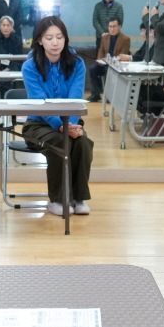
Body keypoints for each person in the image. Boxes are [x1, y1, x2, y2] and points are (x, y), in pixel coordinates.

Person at [21, 16, 92, 218]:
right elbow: (39, 102)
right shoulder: (30, 66)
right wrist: (61, 127)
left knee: (83, 143)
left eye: (59, 37)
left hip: (70, 120)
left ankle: (78, 198)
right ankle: (58, 200)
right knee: (60, 143)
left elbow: (75, 99)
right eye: (49, 37)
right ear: (39, 40)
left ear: (65, 39)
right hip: (38, 124)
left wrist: (71, 125)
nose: (55, 42)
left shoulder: (77, 63)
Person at [87, 17, 132, 102]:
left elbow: (123, 55)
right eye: (110, 26)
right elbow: (101, 50)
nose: (112, 29)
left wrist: (112, 62)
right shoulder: (105, 37)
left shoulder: (125, 39)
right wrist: (99, 60)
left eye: (114, 26)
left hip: (116, 65)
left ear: (119, 26)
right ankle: (95, 94)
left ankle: (110, 96)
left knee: (109, 70)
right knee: (93, 69)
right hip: (105, 63)